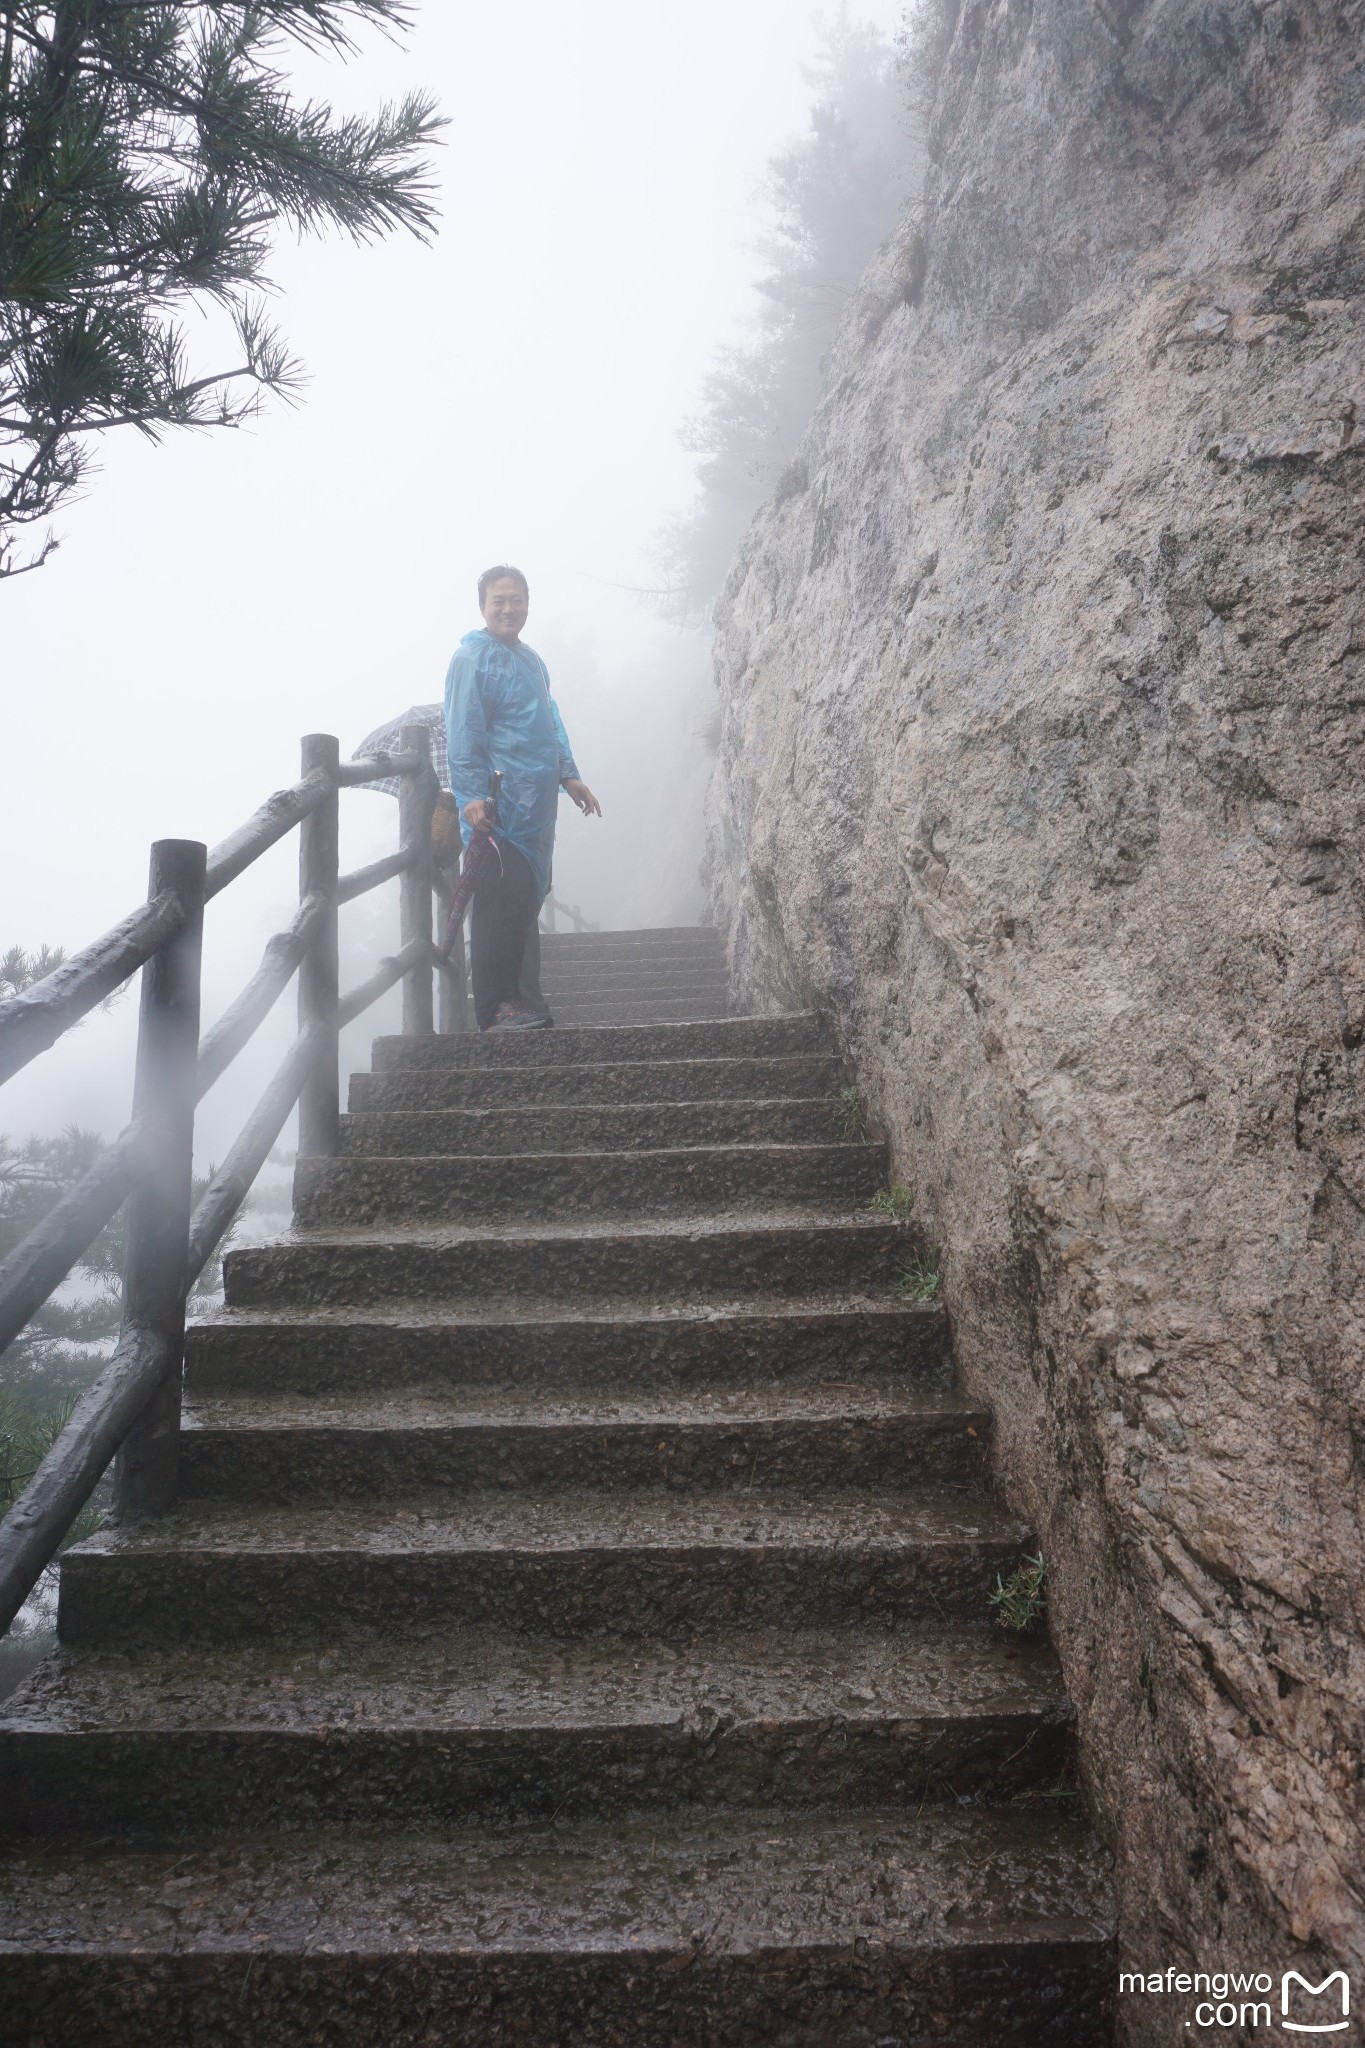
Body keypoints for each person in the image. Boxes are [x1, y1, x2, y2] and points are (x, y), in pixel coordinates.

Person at [444, 566, 601, 1030]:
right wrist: (470, 795)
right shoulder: (471, 660)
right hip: (497, 807)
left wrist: (569, 777)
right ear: (483, 607)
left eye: (516, 600)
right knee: (497, 906)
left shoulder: (531, 660)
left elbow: (549, 721)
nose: (508, 609)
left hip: (536, 811)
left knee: (524, 901)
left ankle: (524, 1001)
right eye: (498, 601)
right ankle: (496, 1009)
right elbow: (463, 729)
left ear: (528, 603)